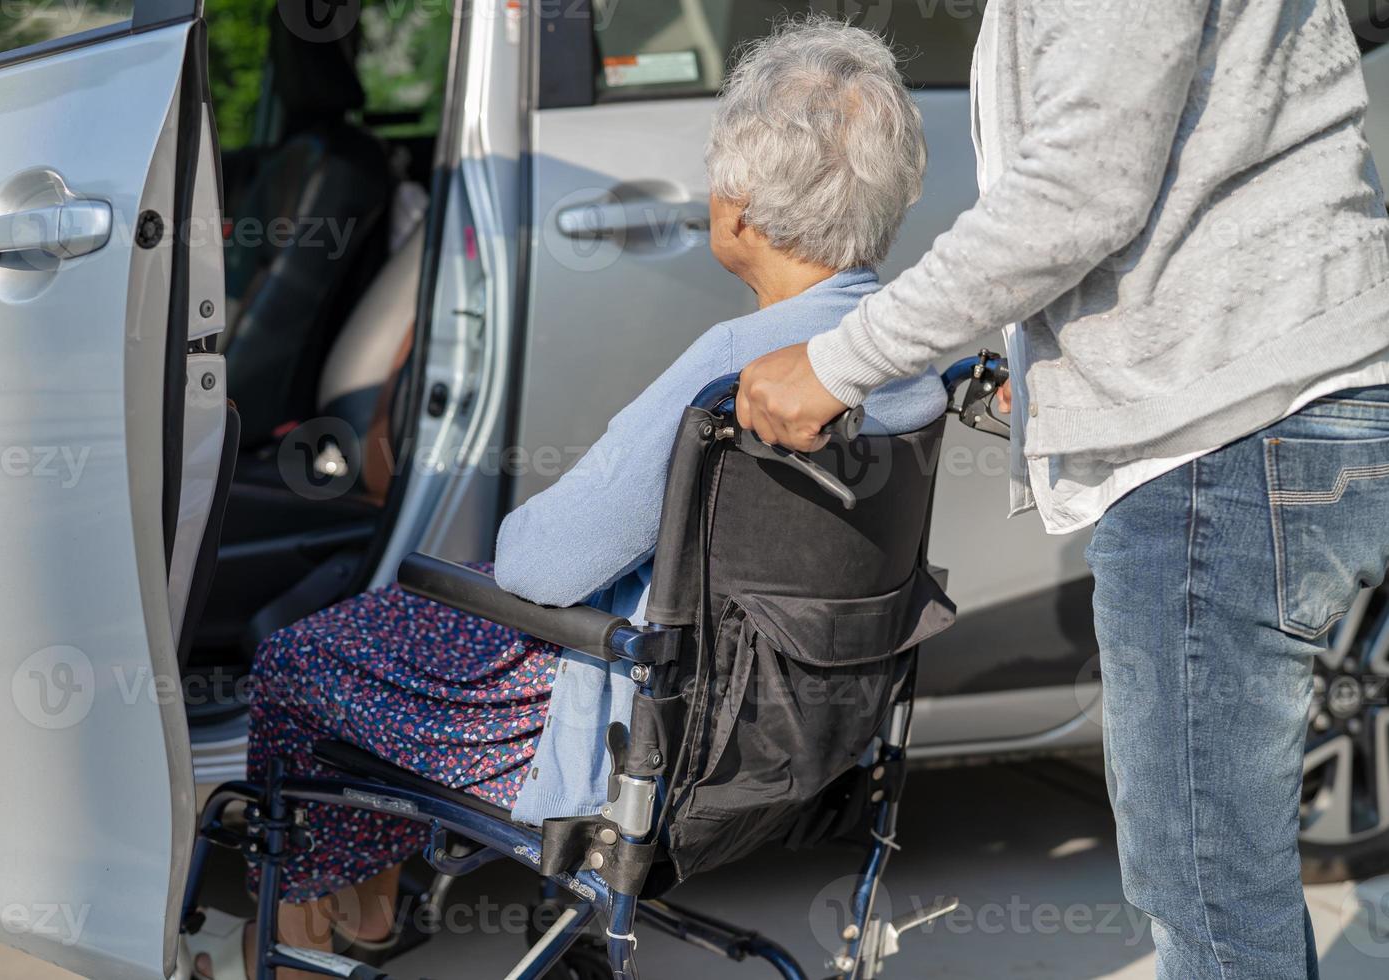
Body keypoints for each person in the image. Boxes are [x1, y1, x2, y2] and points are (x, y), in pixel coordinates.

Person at [187, 17, 947, 979]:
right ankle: (365, 910)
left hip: (630, 740)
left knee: (299, 661)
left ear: (742, 210)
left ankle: (305, 946)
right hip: (797, 740)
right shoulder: (909, 367)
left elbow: (541, 567)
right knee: (407, 615)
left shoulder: (731, 373)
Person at [737, 3, 1389, 978]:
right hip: (1251, 406)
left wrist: (842, 360)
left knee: (1208, 896)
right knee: (1220, 884)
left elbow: (1082, 188)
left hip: (1229, 427)